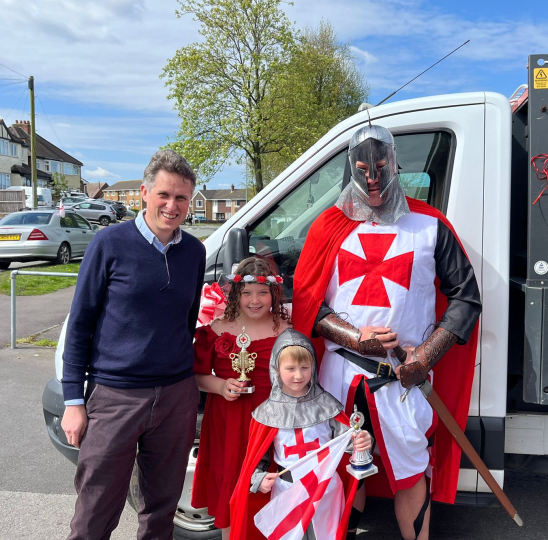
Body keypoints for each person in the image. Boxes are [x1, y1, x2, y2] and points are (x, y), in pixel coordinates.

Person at [291, 123, 482, 540]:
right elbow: (308, 303)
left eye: (380, 166)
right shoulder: (329, 226)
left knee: (412, 470)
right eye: (362, 168)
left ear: (395, 164)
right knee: (341, 467)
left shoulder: (430, 225)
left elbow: (466, 298)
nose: (372, 179)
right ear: (349, 168)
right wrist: (355, 338)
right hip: (340, 376)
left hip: (402, 378)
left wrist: (425, 357)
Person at [60, 149, 205, 540]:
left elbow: (186, 321)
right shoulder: (109, 243)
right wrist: (74, 401)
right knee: (95, 509)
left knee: (161, 510)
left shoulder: (194, 251)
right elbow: (80, 326)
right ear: (144, 192)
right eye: (164, 195)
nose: (172, 206)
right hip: (115, 396)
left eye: (181, 198)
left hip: (175, 396)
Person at [230, 329, 372, 540]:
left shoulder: (327, 405)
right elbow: (257, 461)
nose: (298, 375)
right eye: (290, 368)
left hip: (325, 487)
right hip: (287, 487)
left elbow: (348, 443)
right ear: (276, 369)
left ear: (313, 367)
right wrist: (258, 479)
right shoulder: (266, 413)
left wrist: (361, 441)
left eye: (305, 368)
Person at [191, 257, 291, 540]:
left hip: (273, 422)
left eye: (262, 292)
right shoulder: (218, 329)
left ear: (274, 293)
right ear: (236, 294)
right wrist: (221, 386)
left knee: (270, 491)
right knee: (232, 488)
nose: (255, 300)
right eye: (247, 293)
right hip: (228, 422)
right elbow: (196, 375)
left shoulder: (287, 329)